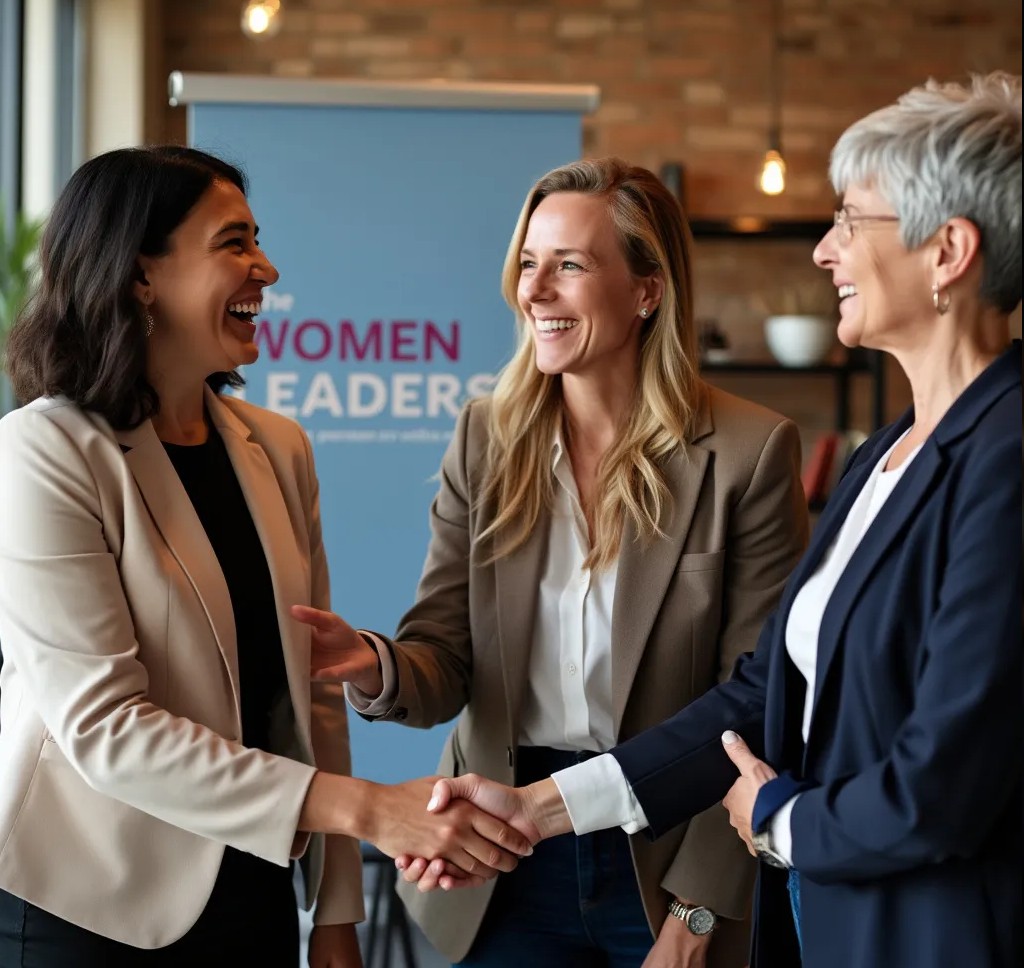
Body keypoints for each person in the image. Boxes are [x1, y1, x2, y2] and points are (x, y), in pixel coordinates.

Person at [408, 72, 1023, 968]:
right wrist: (538, 809)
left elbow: (946, 780)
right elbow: (762, 694)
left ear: (948, 252)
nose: (823, 251)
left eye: (851, 220)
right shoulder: (881, 457)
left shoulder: (1005, 457)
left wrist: (780, 824)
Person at [0, 146, 531, 968]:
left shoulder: (277, 448)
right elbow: (104, 729)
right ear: (142, 274)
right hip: (87, 902)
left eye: (259, 241)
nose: (268, 268)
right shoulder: (44, 451)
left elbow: (309, 694)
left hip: (252, 887)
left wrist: (334, 915)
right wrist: (369, 811)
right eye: (234, 243)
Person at [294, 156, 809, 967]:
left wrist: (700, 912)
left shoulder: (748, 453)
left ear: (648, 290)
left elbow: (756, 704)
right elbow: (446, 657)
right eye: (528, 264)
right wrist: (372, 664)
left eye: (568, 265)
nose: (533, 291)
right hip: (501, 850)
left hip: (669, 859)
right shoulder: (486, 438)